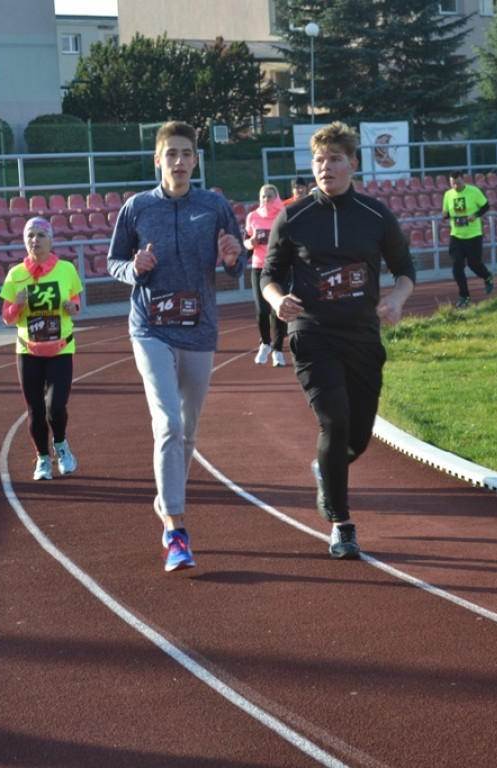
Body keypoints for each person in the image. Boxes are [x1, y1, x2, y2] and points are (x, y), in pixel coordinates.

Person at [261, 121, 416, 560]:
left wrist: (397, 299)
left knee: (358, 436)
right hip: (312, 333)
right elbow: (269, 275)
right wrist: (277, 301)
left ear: (352, 163)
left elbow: (405, 269)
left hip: (363, 336)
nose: (324, 167)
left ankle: (327, 471)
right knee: (333, 419)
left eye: (333, 159)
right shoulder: (293, 216)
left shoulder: (374, 215)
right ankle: (340, 523)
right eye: (318, 160)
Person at [107, 120, 244, 572]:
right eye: (172, 154)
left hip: (200, 329)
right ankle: (176, 529)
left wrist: (231, 260)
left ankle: (167, 497)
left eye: (187, 154)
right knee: (166, 423)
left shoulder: (215, 204)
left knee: (187, 431)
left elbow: (235, 265)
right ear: (158, 160)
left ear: (196, 160)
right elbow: (114, 262)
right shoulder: (137, 207)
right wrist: (135, 268)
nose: (180, 162)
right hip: (150, 328)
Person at [0, 217, 83, 481]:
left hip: (60, 349)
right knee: (35, 410)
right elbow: (6, 318)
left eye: (40, 235)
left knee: (55, 406)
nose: (35, 241)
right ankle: (43, 458)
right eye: (30, 236)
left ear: (51, 239)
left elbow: (76, 302)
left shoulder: (66, 269)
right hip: (29, 351)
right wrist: (17, 306)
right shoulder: (16, 275)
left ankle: (61, 445)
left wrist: (73, 308)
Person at [243, 184, 288, 367]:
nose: (266, 200)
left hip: (279, 267)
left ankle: (278, 350)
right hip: (258, 266)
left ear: (276, 197)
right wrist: (250, 243)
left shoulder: (283, 215)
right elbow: (245, 241)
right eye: (263, 197)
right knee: (262, 309)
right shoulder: (252, 216)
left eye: (269, 196)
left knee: (278, 309)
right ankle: (265, 343)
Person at [441, 170, 494, 307]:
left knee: (474, 264)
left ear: (463, 180)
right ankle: (464, 296)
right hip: (456, 236)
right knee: (456, 268)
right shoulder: (448, 195)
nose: (456, 187)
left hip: (473, 235)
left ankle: (487, 277)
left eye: (458, 183)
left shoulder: (473, 191)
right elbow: (447, 213)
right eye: (453, 184)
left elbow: (486, 206)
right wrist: (444, 214)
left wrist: (475, 215)